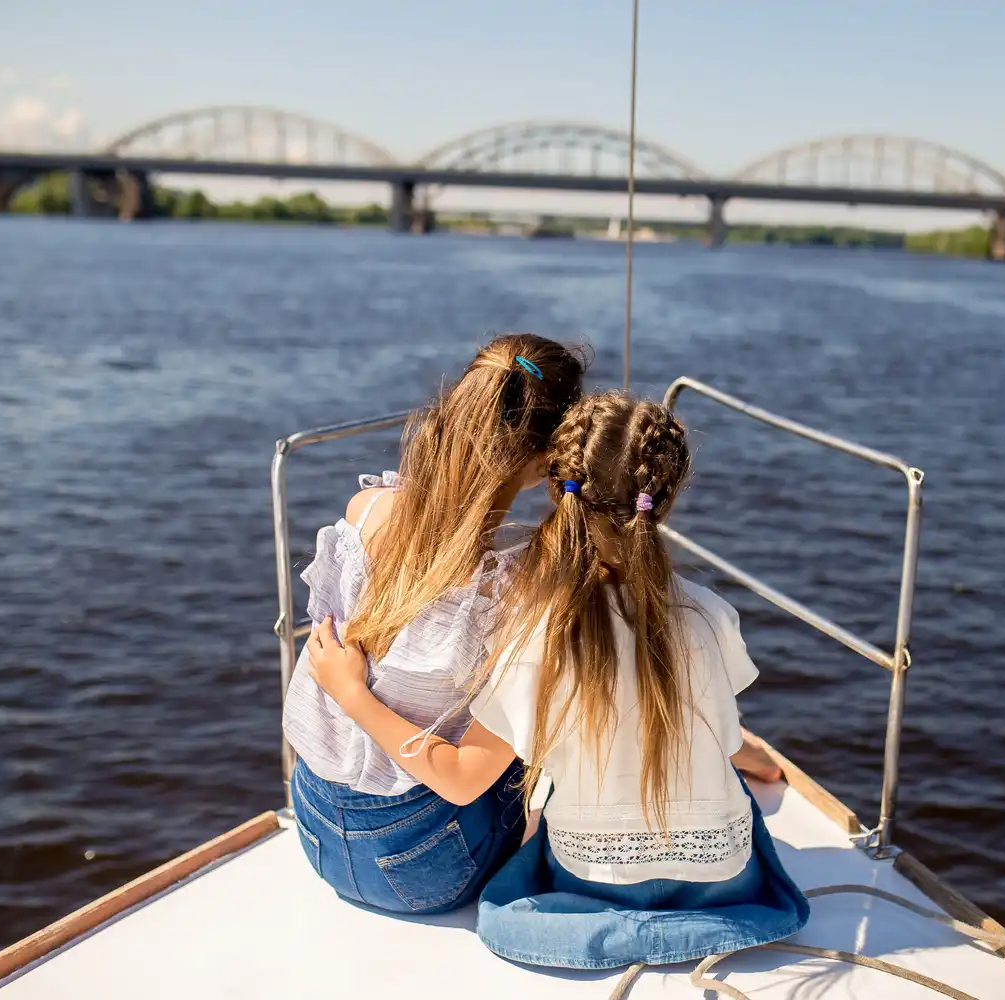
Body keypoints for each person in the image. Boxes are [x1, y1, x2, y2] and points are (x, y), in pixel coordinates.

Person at [305, 391, 808, 967]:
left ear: (555, 486)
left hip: (588, 879)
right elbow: (702, 722)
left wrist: (349, 692)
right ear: (664, 500)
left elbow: (465, 778)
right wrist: (751, 759)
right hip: (721, 876)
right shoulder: (713, 616)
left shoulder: (530, 630)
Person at [282, 333, 586, 914]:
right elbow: (463, 783)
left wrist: (347, 686)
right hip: (423, 866)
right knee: (540, 709)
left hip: (316, 827)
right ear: (549, 457)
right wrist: (351, 693)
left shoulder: (365, 511)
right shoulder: (519, 590)